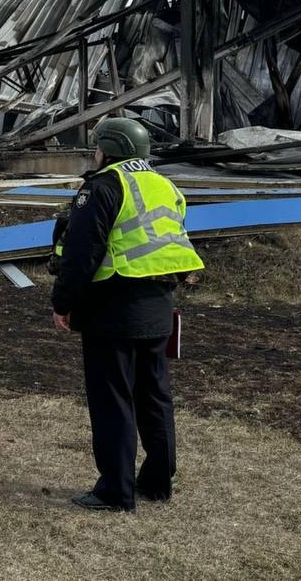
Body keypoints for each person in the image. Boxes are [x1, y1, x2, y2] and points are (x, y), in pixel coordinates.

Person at [50, 117, 204, 512]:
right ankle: (157, 482)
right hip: (158, 305)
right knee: (154, 396)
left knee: (113, 400)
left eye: (97, 147)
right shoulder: (165, 185)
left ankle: (115, 492)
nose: (94, 153)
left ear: (109, 149)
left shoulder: (103, 186)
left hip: (113, 307)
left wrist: (62, 303)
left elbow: (82, 253)